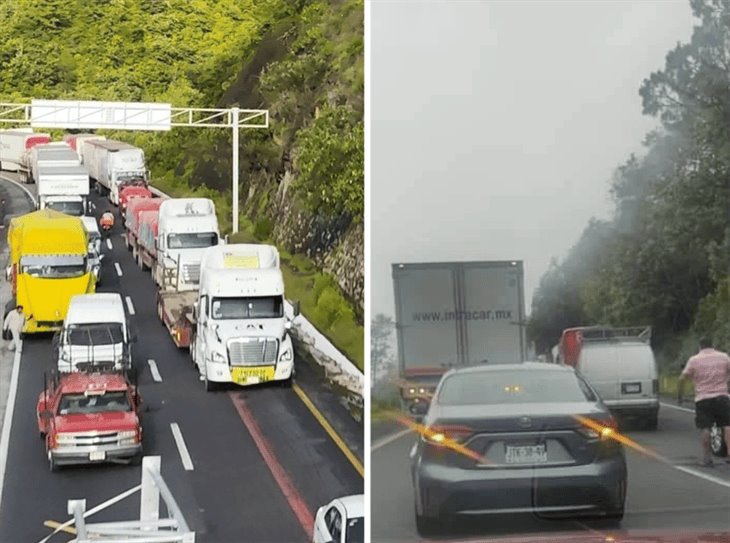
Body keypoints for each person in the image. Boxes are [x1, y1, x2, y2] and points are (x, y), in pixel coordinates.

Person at [677, 337, 730, 466]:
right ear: (713, 345)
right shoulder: (724, 357)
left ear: (700, 346)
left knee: (705, 428)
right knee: (727, 426)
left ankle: (707, 458)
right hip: (722, 396)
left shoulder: (694, 360)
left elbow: (682, 378)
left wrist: (680, 396)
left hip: (703, 398)